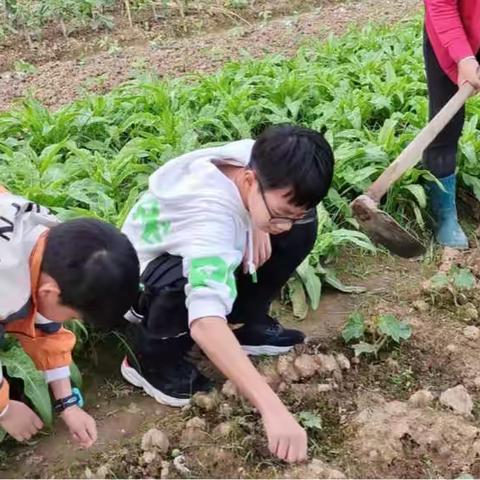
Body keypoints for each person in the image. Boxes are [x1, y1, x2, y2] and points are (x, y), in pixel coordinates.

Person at [121, 124, 334, 463]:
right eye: (280, 214)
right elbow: (204, 322)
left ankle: (245, 322)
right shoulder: (209, 222)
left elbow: (277, 208)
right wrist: (272, 409)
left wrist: (262, 220)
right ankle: (151, 360)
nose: (285, 224)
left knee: (303, 224)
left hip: (214, 240)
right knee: (184, 285)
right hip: (143, 280)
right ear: (249, 181)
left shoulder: (257, 160)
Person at [0, 185, 140, 446]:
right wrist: (5, 408)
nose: (68, 323)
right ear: (50, 292)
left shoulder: (50, 240)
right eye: (74, 317)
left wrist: (68, 404)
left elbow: (47, 329)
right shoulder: (5, 288)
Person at [423, 0, 480, 248]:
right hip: (453, 34)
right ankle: (445, 214)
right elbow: (441, 5)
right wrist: (464, 58)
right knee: (446, 125)